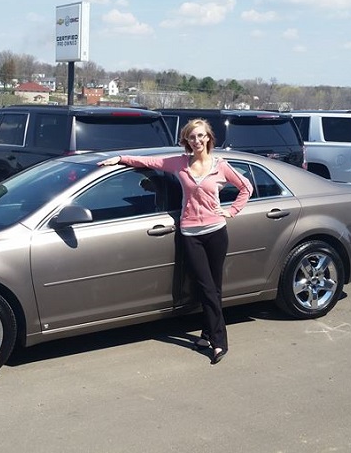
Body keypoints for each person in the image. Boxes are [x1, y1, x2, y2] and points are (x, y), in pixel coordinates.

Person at [98, 118, 253, 364]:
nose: (197, 140)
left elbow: (246, 188)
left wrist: (231, 211)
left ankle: (210, 336)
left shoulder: (220, 165)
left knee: (215, 287)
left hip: (216, 231)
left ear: (208, 138)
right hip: (191, 233)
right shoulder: (180, 163)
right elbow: (148, 161)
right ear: (186, 140)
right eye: (192, 137)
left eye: (201, 136)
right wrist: (120, 158)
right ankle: (218, 339)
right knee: (205, 286)